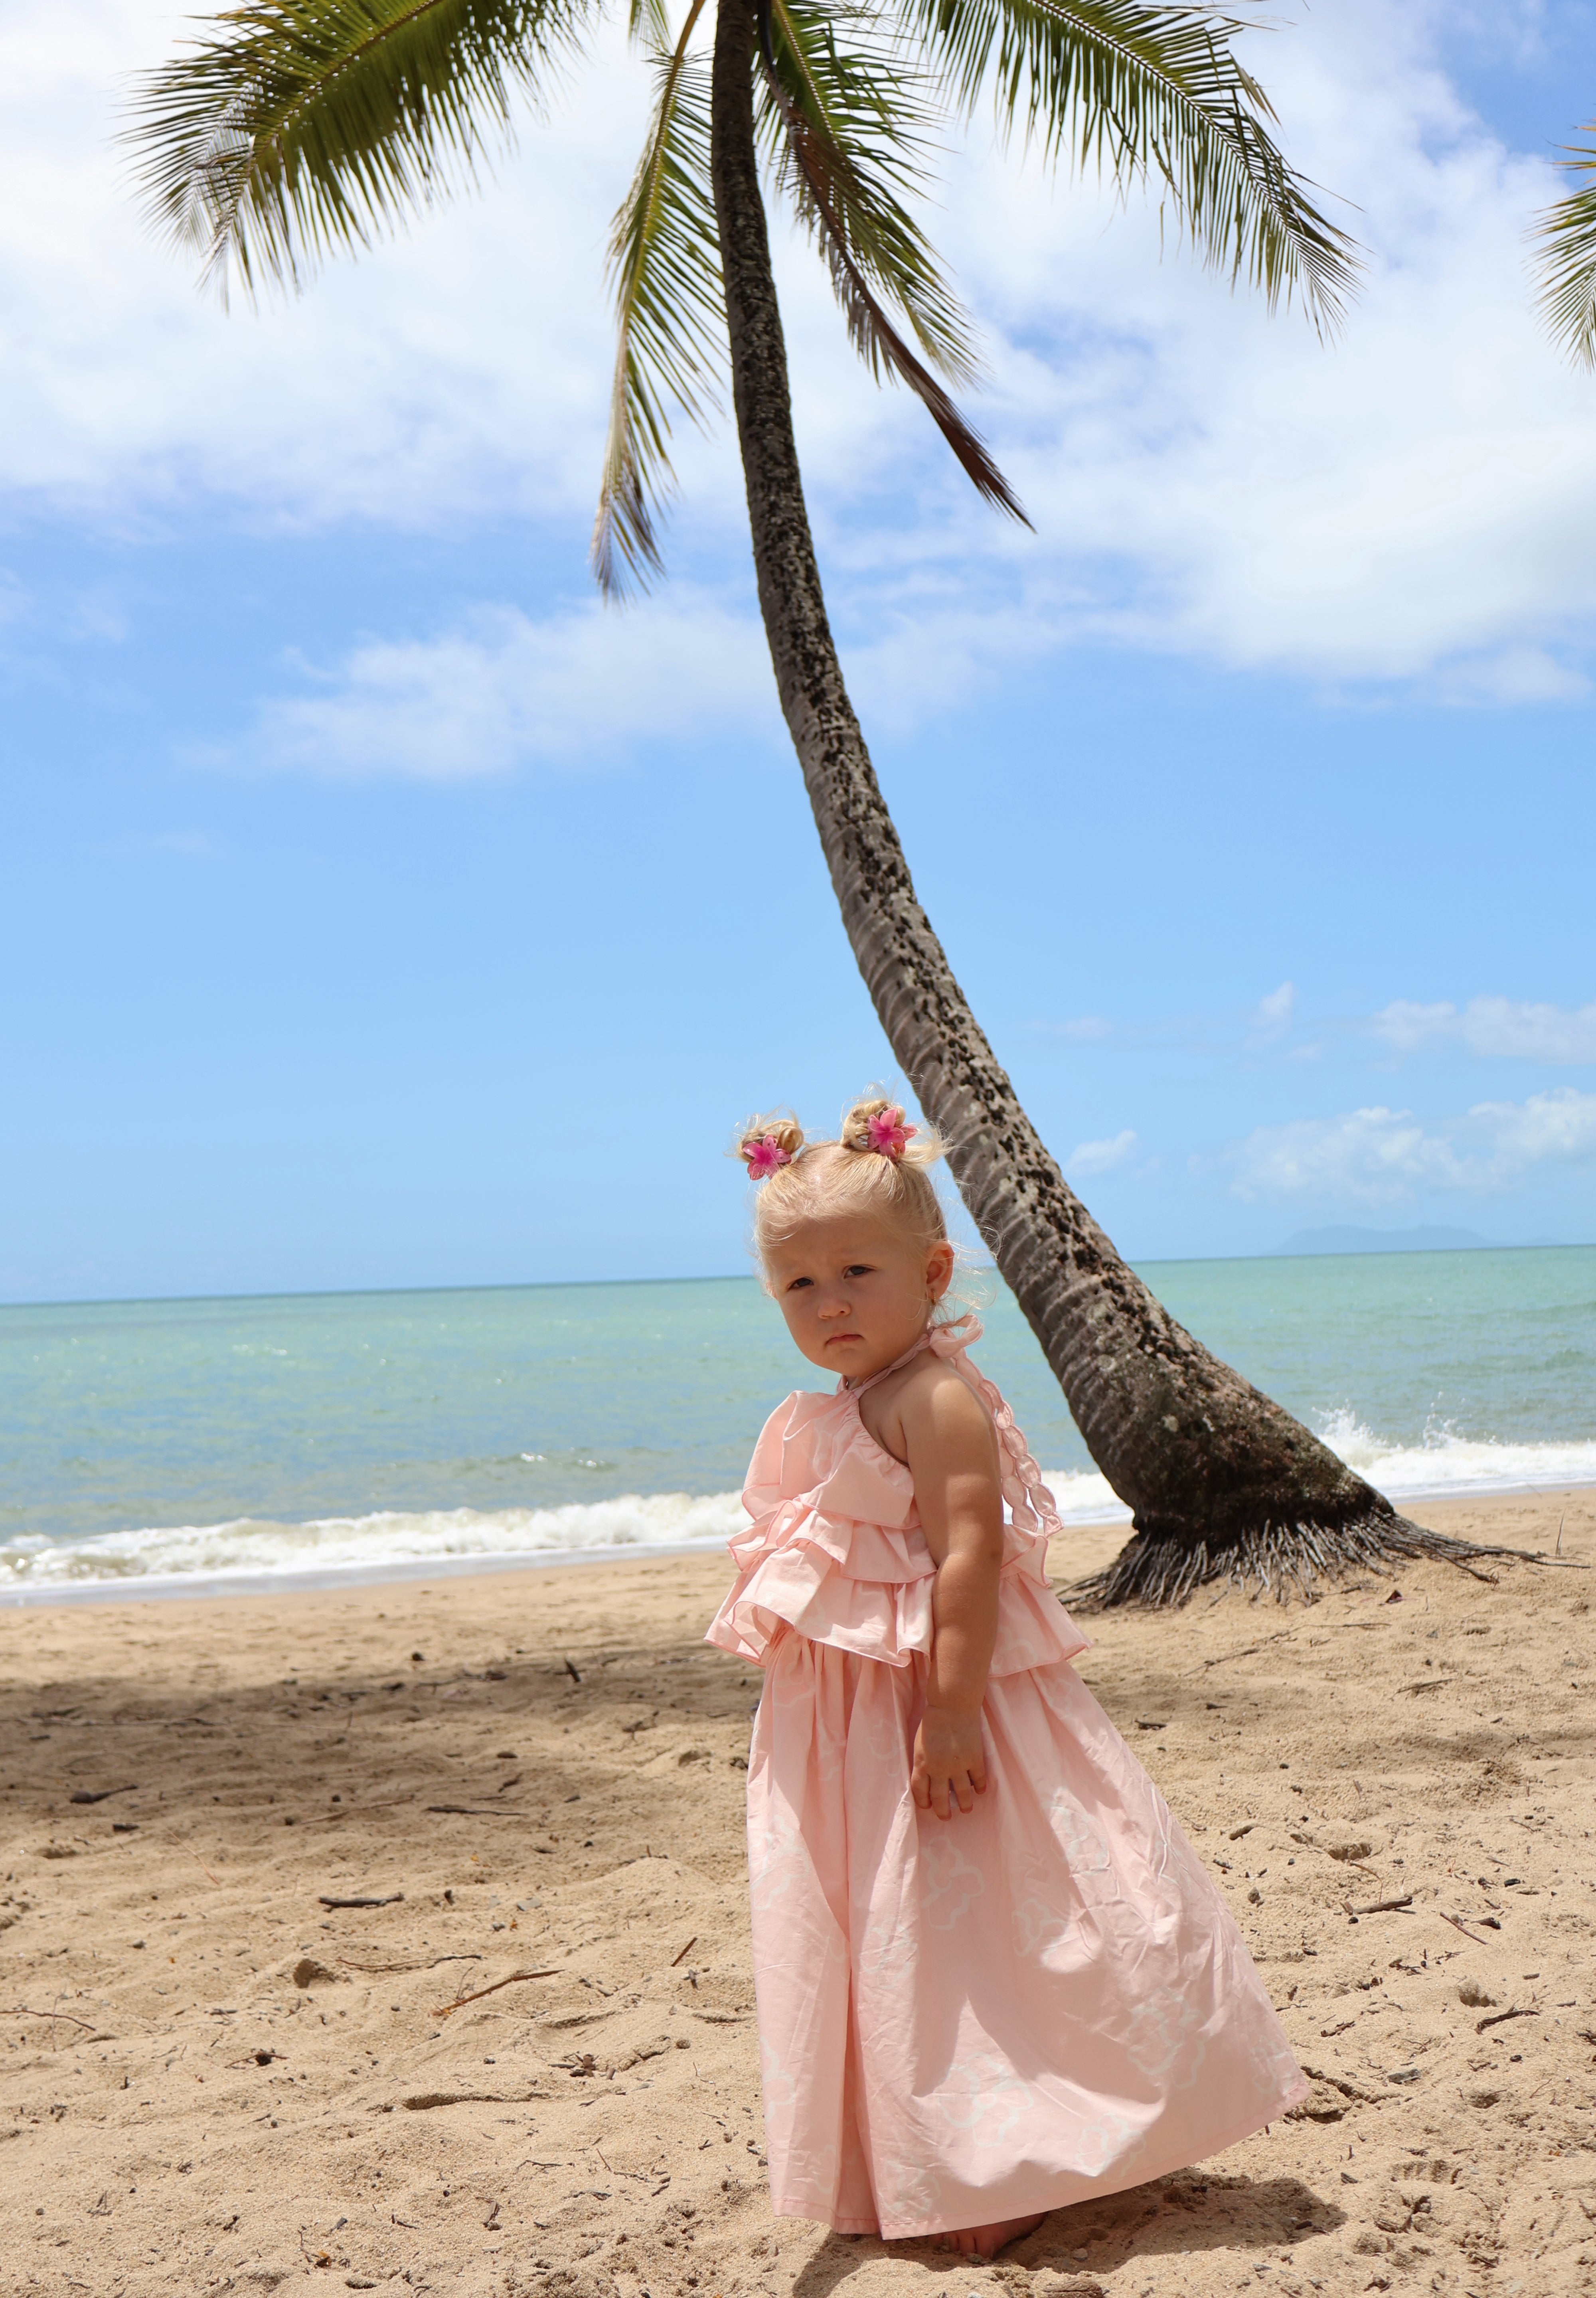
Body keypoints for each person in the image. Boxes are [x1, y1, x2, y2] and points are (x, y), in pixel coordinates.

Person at [705, 1094, 1306, 2257]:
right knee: (898, 1931)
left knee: (978, 1932)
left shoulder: (933, 1397)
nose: (830, 1305)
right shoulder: (847, 1403)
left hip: (938, 1709)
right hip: (857, 1726)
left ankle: (1016, 2157)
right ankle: (927, 2155)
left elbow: (972, 1557)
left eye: (858, 1274)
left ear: (932, 1272)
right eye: (800, 1287)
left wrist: (951, 1713)